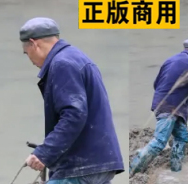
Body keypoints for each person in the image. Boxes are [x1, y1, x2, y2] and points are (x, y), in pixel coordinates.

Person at [20, 17, 124, 184]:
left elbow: (74, 115)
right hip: (99, 162)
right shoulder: (76, 57)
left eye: (27, 53)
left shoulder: (62, 64)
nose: (30, 60)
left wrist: (45, 152)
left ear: (34, 44)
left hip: (81, 166)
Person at [129, 38, 188, 176]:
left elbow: (156, 84)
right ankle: (133, 170)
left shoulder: (169, 60)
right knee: (159, 141)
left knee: (181, 137)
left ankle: (176, 171)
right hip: (171, 108)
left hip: (162, 104)